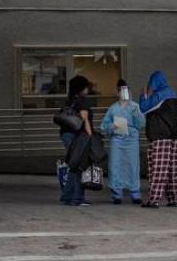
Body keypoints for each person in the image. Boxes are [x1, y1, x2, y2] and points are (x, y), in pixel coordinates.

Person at [140, 71, 177, 208]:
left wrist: (144, 95)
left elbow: (143, 108)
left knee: (158, 169)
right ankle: (175, 199)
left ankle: (154, 200)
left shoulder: (160, 95)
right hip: (173, 137)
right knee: (172, 171)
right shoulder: (172, 93)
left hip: (160, 137)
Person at [101, 79, 145, 205]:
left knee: (133, 166)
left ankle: (135, 193)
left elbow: (141, 123)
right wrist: (112, 127)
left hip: (131, 140)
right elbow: (104, 125)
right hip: (117, 140)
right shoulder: (113, 108)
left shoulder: (135, 106)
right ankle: (117, 193)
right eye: (121, 91)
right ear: (117, 92)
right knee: (115, 166)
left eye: (126, 90)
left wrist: (135, 112)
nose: (124, 93)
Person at [60, 76, 95, 206]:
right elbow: (84, 118)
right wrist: (90, 135)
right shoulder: (82, 101)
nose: (88, 89)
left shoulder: (70, 101)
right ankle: (77, 198)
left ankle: (67, 196)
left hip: (66, 135)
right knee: (78, 166)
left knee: (73, 166)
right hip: (77, 136)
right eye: (86, 86)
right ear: (81, 88)